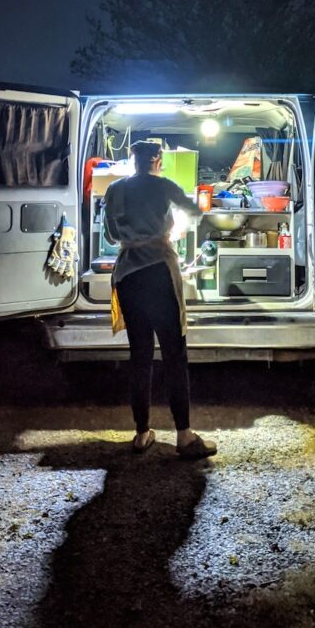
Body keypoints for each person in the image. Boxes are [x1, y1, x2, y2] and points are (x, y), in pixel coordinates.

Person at [104, 140, 217, 459]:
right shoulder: (164, 184)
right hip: (158, 273)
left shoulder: (115, 189)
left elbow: (112, 235)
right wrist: (169, 230)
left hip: (127, 275)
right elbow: (195, 210)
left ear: (132, 159)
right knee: (173, 354)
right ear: (156, 160)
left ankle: (142, 433)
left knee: (140, 356)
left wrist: (137, 233)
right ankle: (184, 436)